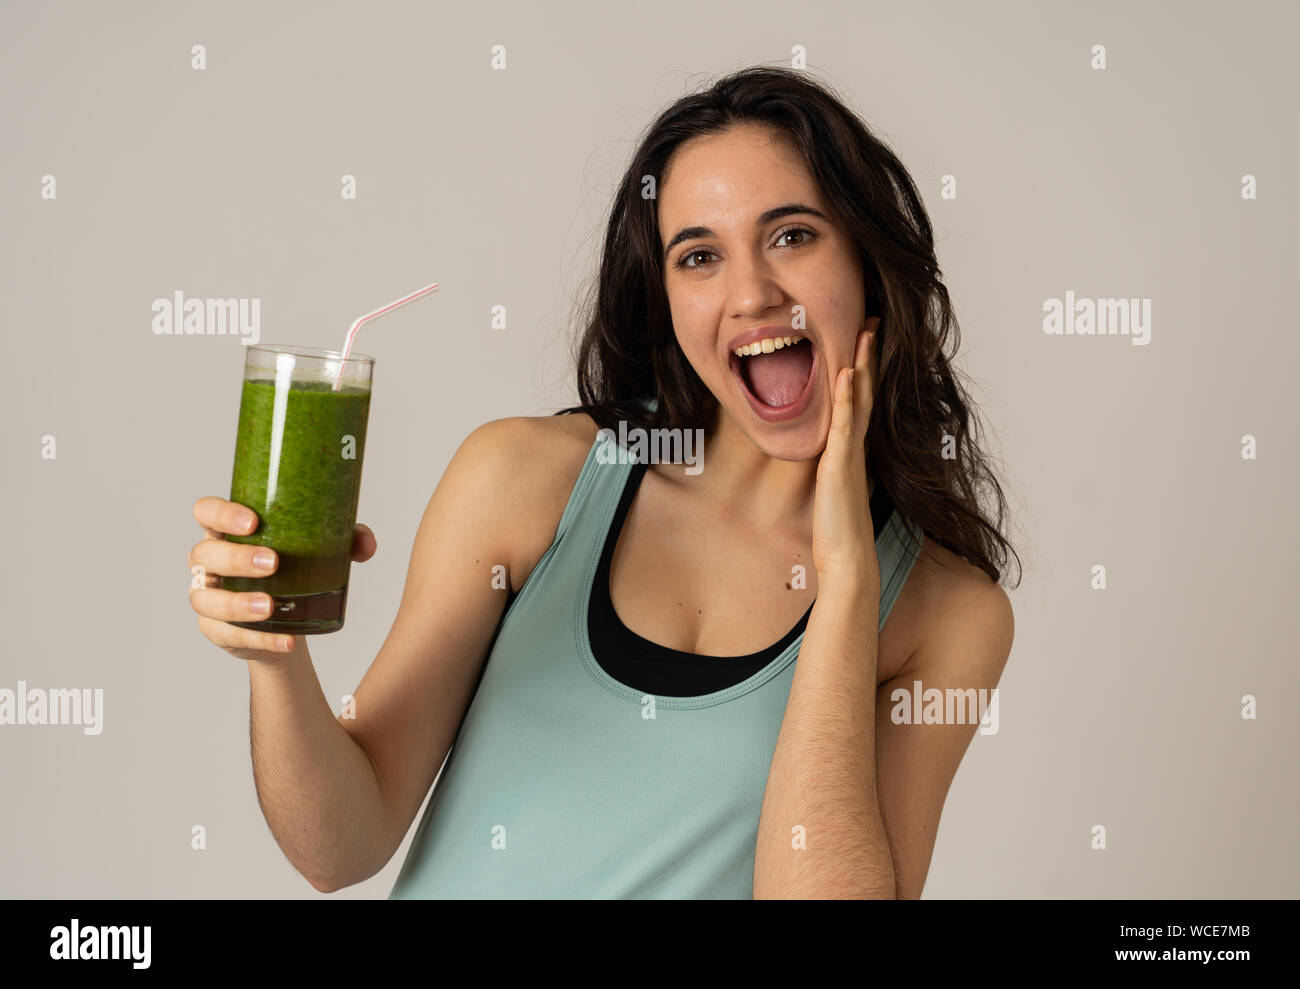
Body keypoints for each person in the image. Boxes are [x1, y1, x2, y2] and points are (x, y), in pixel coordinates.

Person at [188, 65, 1018, 899]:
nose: (752, 294)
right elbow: (340, 848)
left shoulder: (944, 616)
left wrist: (844, 586)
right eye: (700, 257)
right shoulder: (527, 480)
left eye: (792, 235)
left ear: (868, 262)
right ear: (665, 298)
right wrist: (274, 653)